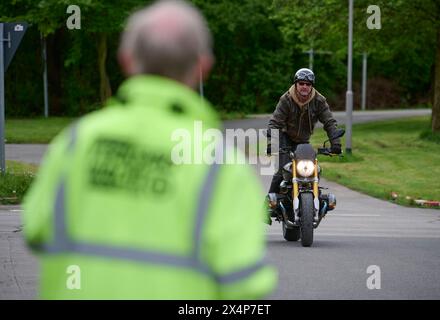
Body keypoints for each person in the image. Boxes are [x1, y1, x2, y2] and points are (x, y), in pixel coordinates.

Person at [22, 0, 276, 299]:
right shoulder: (219, 164)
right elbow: (243, 282)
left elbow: (36, 230)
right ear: (202, 67)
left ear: (126, 60)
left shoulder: (78, 141)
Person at [265, 68, 342, 223]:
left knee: (311, 171)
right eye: (301, 83)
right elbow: (275, 123)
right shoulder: (286, 99)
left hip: (303, 141)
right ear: (296, 84)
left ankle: (315, 203)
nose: (304, 87)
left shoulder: (319, 100)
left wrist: (336, 143)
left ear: (311, 86)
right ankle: (267, 207)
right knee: (282, 171)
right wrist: (272, 144)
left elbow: (329, 122)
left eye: (308, 84)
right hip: (285, 138)